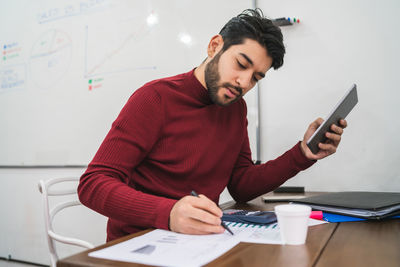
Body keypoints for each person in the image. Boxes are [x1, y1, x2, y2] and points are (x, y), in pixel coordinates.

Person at [78, 9, 347, 241]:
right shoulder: (154, 98)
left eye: (256, 77)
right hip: (140, 243)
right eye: (241, 64)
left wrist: (301, 155)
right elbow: (93, 184)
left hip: (200, 241)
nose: (244, 83)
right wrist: (169, 213)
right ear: (214, 46)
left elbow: (241, 185)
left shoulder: (235, 108)